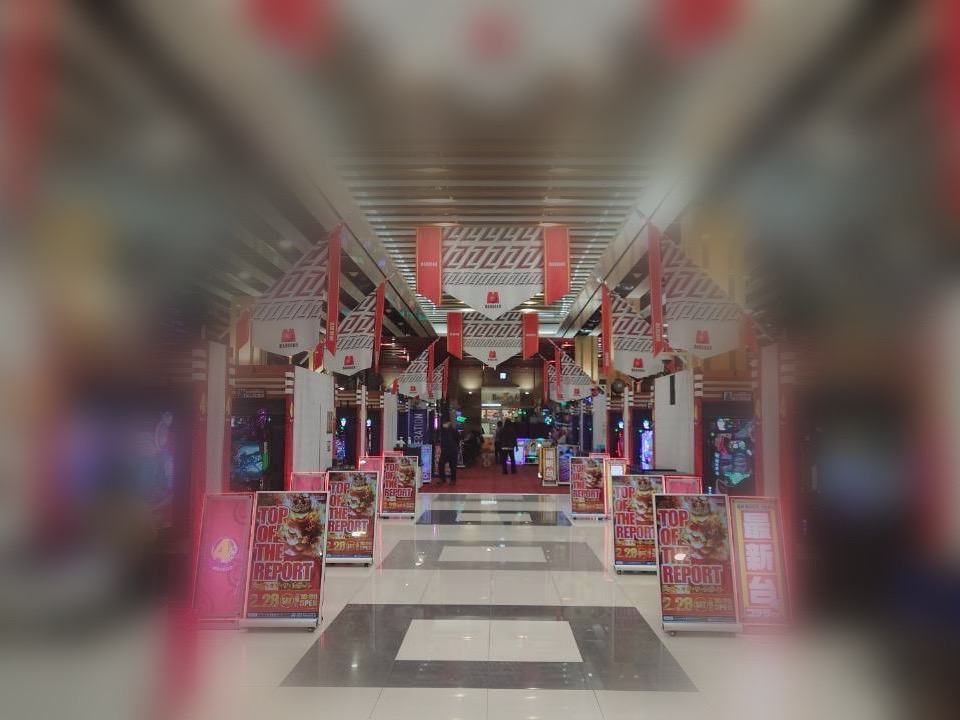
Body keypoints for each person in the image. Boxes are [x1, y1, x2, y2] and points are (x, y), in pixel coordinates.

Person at [438, 420, 460, 485]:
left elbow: (458, 439)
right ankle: (442, 478)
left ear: (449, 423)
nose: (444, 425)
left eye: (445, 423)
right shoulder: (442, 430)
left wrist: (455, 446)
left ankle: (453, 480)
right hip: (444, 450)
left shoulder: (454, 430)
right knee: (441, 464)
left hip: (452, 450)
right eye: (443, 423)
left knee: (453, 466)